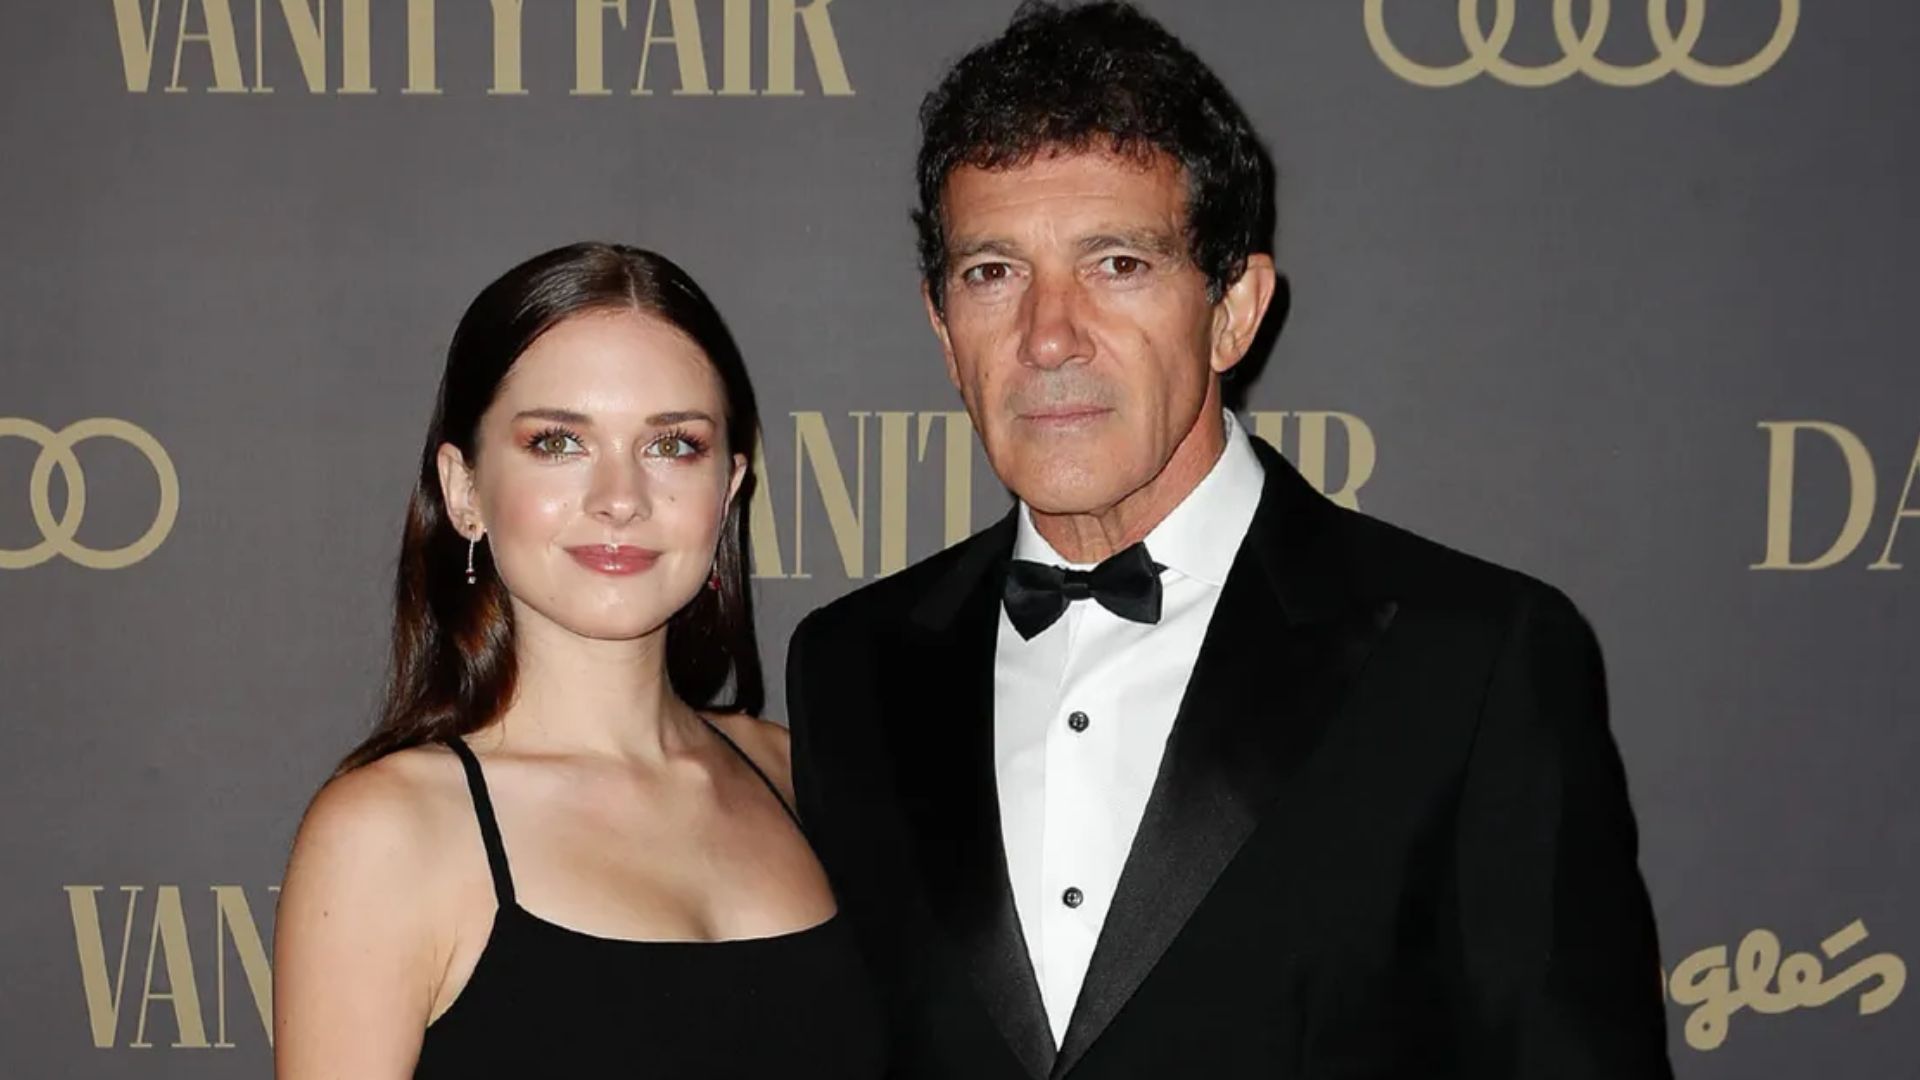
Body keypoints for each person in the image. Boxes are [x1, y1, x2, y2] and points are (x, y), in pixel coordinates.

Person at [785, 4, 1673, 1078]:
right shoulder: (848, 667)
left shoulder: (1473, 660)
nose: (1048, 336)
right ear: (942, 327)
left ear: (1234, 311)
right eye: (993, 273)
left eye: (1117, 263)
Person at [273, 243, 883, 1078]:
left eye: (673, 446)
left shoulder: (795, 774)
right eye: (559, 442)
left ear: (729, 489)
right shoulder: (387, 835)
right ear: (463, 489)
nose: (620, 499)